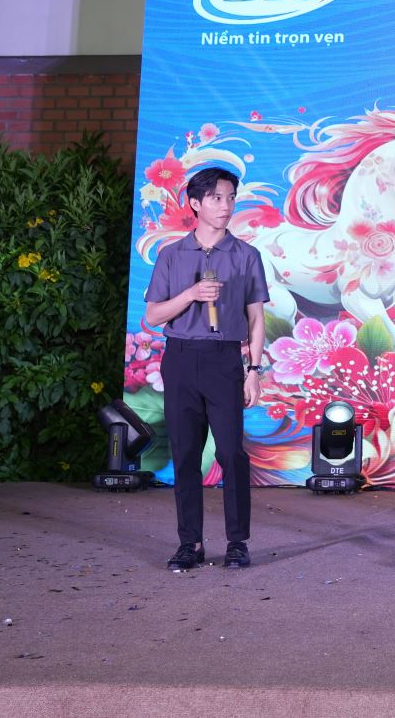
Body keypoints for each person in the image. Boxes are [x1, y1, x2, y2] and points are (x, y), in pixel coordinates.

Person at [143, 167, 269, 571]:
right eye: (216, 197)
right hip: (180, 358)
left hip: (224, 360)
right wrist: (192, 294)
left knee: (231, 452)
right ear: (195, 203)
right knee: (185, 454)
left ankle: (237, 542)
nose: (226, 205)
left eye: (230, 197)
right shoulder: (171, 255)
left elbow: (256, 319)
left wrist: (254, 370)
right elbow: (152, 316)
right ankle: (190, 543)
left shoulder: (246, 255)